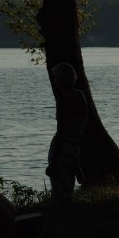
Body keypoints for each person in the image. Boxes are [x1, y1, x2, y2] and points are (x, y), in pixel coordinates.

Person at [45, 62, 88, 205]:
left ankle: (62, 216)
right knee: (68, 188)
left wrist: (54, 161)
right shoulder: (80, 95)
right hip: (75, 146)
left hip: (63, 147)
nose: (55, 81)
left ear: (60, 80)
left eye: (56, 78)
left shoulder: (63, 100)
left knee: (59, 190)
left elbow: (61, 131)